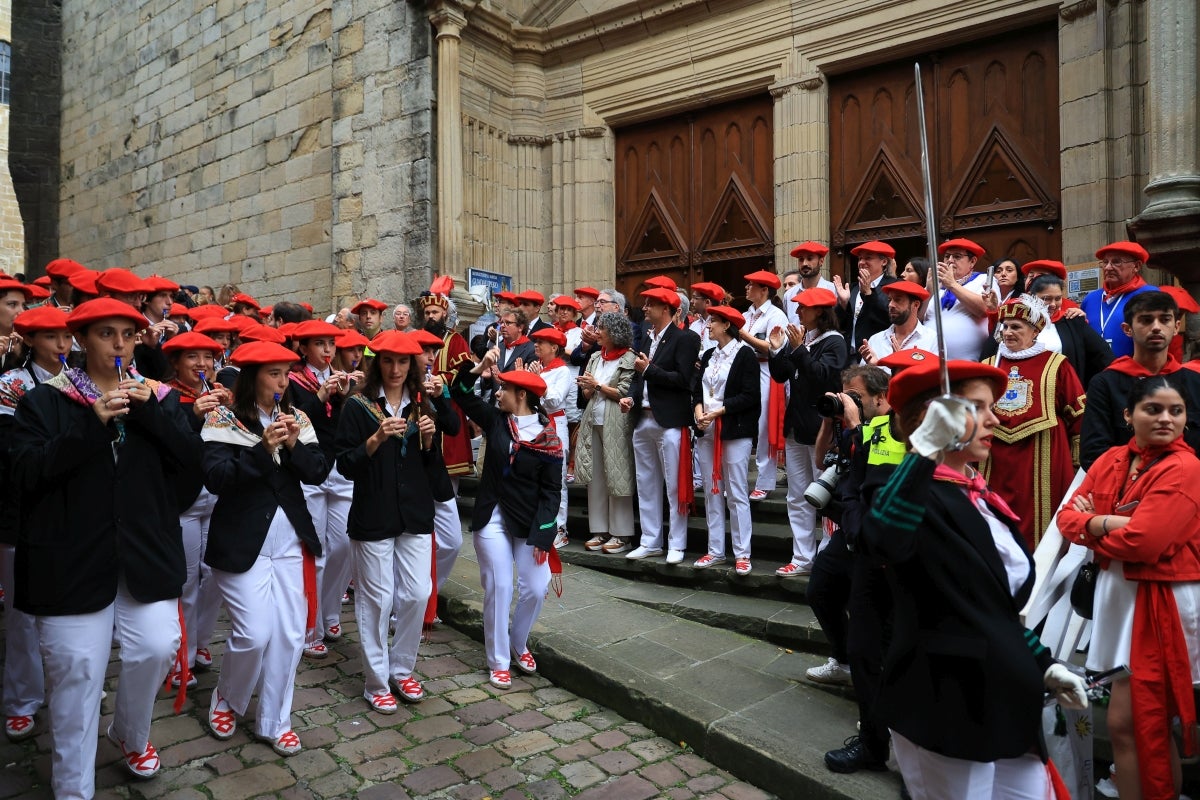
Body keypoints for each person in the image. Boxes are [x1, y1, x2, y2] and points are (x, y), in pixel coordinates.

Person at [865, 358, 1088, 798]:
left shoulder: (977, 496)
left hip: (1005, 701)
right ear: (937, 418)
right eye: (979, 407)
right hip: (945, 703)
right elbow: (884, 539)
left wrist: (1044, 664)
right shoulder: (909, 492)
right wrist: (924, 451)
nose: (995, 419)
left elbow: (991, 608)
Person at [11, 298, 201, 794]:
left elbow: (190, 465)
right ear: (81, 339)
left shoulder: (160, 399)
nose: (119, 344)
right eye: (106, 334)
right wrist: (89, 425)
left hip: (143, 552)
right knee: (76, 673)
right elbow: (27, 475)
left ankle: (129, 733)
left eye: (128, 335)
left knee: (158, 645)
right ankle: (73, 787)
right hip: (73, 558)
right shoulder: (45, 400)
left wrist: (151, 418)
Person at [1058, 376, 1200, 800]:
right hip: (1121, 596)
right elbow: (1067, 516)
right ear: (1128, 415)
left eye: (1175, 411)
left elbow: (1147, 542)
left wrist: (1094, 521)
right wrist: (1108, 522)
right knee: (1133, 725)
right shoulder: (1112, 459)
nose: (1165, 418)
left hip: (1159, 600)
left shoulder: (1185, 468)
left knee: (1139, 724)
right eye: (1153, 409)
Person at [201, 340, 327, 756]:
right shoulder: (224, 417)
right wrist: (263, 449)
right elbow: (217, 477)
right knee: (254, 633)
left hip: (290, 539)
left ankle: (275, 720)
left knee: (290, 635)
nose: (282, 381)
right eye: (274, 373)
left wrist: (291, 444)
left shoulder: (297, 417)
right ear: (254, 377)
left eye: (285, 373)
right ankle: (228, 697)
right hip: (241, 541)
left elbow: (317, 472)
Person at [334, 331, 440, 712]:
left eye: (403, 362)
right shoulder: (357, 406)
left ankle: (402, 667)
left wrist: (429, 443)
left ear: (413, 366)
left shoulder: (423, 405)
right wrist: (375, 441)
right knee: (376, 600)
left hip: (414, 512)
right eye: (388, 361)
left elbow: (432, 467)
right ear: (376, 363)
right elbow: (344, 464)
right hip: (373, 513)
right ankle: (376, 680)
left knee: (416, 593)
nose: (396, 369)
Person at [450, 355, 562, 690]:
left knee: (537, 586)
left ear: (522, 395)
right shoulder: (496, 420)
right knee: (500, 586)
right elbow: (461, 393)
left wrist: (544, 535)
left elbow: (552, 492)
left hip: (528, 523)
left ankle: (517, 641)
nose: (498, 394)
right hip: (492, 517)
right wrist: (477, 366)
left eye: (505, 389)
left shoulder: (550, 440)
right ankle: (498, 661)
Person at [0, 306, 72, 741]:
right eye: (51, 338)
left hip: (72, 507)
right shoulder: (12, 385)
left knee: (71, 604)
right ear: (30, 341)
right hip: (23, 508)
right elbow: (11, 453)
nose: (62, 346)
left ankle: (69, 682)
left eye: (67, 337)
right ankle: (22, 698)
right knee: (24, 612)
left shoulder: (81, 380)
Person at [981, 296, 1086, 550]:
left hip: (1043, 461)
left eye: (1016, 327)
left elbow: (1078, 414)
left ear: (1035, 331)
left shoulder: (1056, 364)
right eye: (1004, 326)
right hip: (994, 463)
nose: (1008, 332)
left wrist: (1077, 467)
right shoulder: (988, 367)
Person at [162, 331, 234, 685]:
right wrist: (192, 414)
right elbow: (171, 446)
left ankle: (201, 640)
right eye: (192, 357)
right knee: (188, 581)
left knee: (215, 575)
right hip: (185, 500)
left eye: (208, 357)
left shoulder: (217, 395)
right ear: (176, 362)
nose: (202, 364)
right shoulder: (164, 396)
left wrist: (233, 410)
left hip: (218, 496)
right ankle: (182, 658)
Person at [768, 288, 849, 576]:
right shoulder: (800, 340)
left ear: (821, 313)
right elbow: (780, 375)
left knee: (824, 494)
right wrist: (778, 349)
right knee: (796, 495)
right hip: (796, 428)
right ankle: (802, 557)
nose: (798, 312)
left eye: (804, 308)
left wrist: (799, 349)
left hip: (821, 431)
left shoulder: (834, 343)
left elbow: (822, 379)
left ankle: (827, 554)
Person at [287, 319, 355, 659]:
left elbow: (343, 422)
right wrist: (321, 394)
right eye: (320, 344)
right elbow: (298, 419)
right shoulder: (292, 380)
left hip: (339, 469)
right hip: (309, 470)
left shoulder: (340, 376)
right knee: (317, 551)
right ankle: (309, 626)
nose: (328, 350)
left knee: (343, 544)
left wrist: (347, 395)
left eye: (331, 344)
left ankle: (330, 612)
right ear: (304, 348)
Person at [622, 288, 701, 564]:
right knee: (646, 484)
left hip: (670, 421)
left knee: (674, 485)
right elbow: (637, 378)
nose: (644, 308)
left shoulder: (686, 338)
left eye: (650, 304)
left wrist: (649, 370)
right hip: (643, 419)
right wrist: (630, 398)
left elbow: (683, 380)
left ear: (666, 308)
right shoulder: (646, 337)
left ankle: (676, 544)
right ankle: (650, 541)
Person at [1080, 290, 1200, 468]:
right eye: (1146, 320)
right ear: (1127, 329)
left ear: (1176, 327)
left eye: (1165, 319)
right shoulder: (1105, 384)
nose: (1156, 327)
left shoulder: (1195, 382)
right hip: (1129, 489)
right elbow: (1093, 454)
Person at [692, 306, 760, 569]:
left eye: (713, 322)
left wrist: (719, 411)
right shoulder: (709, 354)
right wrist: (699, 411)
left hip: (734, 430)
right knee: (712, 490)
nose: (708, 326)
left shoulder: (745, 356)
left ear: (727, 326)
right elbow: (698, 390)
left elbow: (750, 396)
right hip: (707, 428)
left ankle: (742, 553)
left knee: (736, 492)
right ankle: (715, 549)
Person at [573, 312, 637, 554]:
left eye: (602, 328)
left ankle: (621, 535)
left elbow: (624, 392)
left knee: (617, 475)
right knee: (596, 477)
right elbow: (585, 394)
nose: (597, 332)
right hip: (593, 420)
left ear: (615, 333)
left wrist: (597, 385)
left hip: (616, 422)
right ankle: (600, 530)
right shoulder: (596, 357)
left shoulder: (629, 358)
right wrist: (588, 388)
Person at [738, 270, 789, 500]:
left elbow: (772, 347)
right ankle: (738, 480)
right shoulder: (746, 314)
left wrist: (741, 334)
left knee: (763, 424)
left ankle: (765, 481)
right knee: (744, 421)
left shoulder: (776, 315)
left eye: (751, 285)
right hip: (744, 371)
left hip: (766, 370)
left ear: (764, 290)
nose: (747, 288)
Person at [1019, 273, 1114, 388]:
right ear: (1031, 296)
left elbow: (1104, 357)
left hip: (1063, 392)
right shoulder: (1015, 322)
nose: (1053, 304)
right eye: (1046, 299)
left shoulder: (1073, 321)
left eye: (1058, 298)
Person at [528, 327, 573, 547]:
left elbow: (554, 401)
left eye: (541, 342)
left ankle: (560, 528)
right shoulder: (540, 369)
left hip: (555, 424)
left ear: (554, 348)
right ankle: (543, 523)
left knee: (557, 480)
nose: (536, 345)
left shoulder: (562, 371)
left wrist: (536, 381)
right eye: (536, 341)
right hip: (538, 425)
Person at [1079, 241, 1157, 358]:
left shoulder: (1149, 295)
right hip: (1095, 374)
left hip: (1133, 372)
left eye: (1116, 262)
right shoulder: (1091, 299)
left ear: (1136, 266)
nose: (1108, 267)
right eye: (1105, 262)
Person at [925, 238, 999, 361]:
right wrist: (928, 291)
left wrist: (952, 284)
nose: (950, 261)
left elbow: (984, 309)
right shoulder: (936, 283)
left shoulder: (983, 280)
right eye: (947, 256)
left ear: (972, 261)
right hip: (932, 364)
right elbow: (920, 317)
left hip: (969, 364)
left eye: (957, 257)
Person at [835, 240, 898, 362]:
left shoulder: (893, 286)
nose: (862, 262)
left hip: (878, 355)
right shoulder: (853, 288)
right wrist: (843, 304)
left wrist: (869, 294)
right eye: (860, 259)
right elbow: (839, 325)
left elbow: (889, 319)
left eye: (868, 258)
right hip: (849, 357)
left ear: (884, 262)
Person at [858, 281, 937, 368]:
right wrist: (874, 367)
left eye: (898, 300)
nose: (891, 305)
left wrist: (902, 364)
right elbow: (863, 380)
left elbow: (935, 378)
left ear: (916, 305)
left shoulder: (932, 339)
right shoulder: (876, 340)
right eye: (889, 300)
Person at [784, 241, 837, 325]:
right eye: (801, 259)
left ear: (821, 261)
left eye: (810, 258)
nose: (804, 263)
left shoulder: (833, 290)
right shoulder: (789, 295)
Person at [688, 282, 725, 355]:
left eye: (695, 298)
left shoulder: (721, 326)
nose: (691, 301)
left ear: (707, 302)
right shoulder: (694, 325)